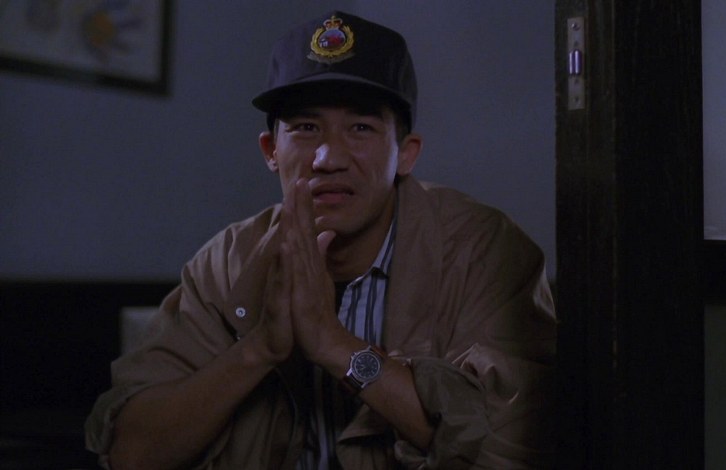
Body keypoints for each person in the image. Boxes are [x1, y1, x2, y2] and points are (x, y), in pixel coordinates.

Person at [85, 10, 557, 469]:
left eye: (361, 128)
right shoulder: (227, 261)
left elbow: (516, 447)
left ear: (406, 154)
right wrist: (259, 349)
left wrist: (334, 345)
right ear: (271, 151)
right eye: (306, 128)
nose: (329, 157)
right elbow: (132, 453)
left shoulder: (481, 251)